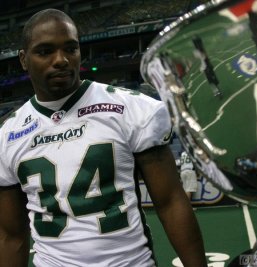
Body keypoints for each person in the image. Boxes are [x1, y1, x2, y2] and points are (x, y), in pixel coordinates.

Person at [0, 9, 207, 267]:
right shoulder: (8, 134)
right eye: (45, 51)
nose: (61, 60)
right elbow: (12, 236)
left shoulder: (130, 109)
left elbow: (171, 203)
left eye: (70, 49)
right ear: (23, 59)